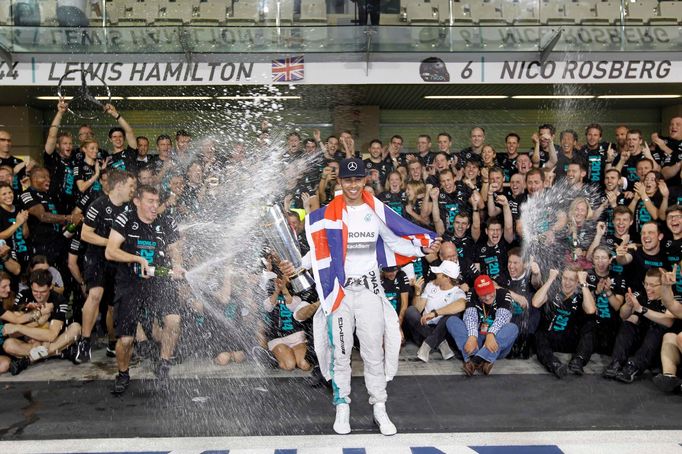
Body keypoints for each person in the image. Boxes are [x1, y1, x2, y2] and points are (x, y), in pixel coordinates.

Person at [284, 157, 439, 436]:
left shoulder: (375, 212)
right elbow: (317, 253)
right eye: (347, 180)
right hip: (339, 295)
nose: (353, 184)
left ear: (364, 180)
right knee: (340, 353)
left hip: (369, 292)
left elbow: (395, 240)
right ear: (340, 182)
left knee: (372, 352)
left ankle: (379, 407)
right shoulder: (327, 216)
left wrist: (422, 248)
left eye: (357, 179)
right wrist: (297, 266)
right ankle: (342, 407)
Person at [105, 185, 184, 395]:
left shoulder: (165, 221)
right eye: (150, 201)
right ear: (137, 201)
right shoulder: (125, 219)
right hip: (130, 281)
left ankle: (164, 365)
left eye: (156, 202)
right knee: (125, 340)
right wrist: (137, 258)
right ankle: (123, 373)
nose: (154, 206)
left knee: (173, 320)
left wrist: (177, 265)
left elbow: (174, 249)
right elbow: (110, 251)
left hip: (158, 279)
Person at [75, 170, 136, 364]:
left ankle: (112, 342)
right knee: (95, 295)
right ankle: (85, 342)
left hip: (117, 262)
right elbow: (85, 234)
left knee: (112, 307)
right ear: (119, 186)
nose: (132, 190)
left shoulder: (129, 209)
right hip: (96, 259)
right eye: (130, 186)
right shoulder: (97, 205)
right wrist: (109, 243)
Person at [2, 270, 81, 375]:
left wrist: (20, 328)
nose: (38, 295)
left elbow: (51, 336)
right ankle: (59, 352)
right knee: (8, 345)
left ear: (50, 287)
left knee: (76, 328)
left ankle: (28, 360)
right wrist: (39, 320)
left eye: (43, 292)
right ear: (30, 287)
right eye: (35, 291)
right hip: (31, 342)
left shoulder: (59, 300)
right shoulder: (23, 295)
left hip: (51, 340)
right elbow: (13, 333)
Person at [448, 274, 519, 375]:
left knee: (512, 328)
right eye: (483, 294)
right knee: (452, 321)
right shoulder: (472, 292)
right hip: (477, 341)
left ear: (493, 288)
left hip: (496, 343)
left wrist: (491, 334)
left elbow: (503, 318)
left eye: (490, 292)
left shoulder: (503, 293)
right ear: (477, 293)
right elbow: (470, 316)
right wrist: (472, 337)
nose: (487, 297)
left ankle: (474, 360)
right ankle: (479, 358)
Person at [532, 266, 596, 378]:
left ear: (577, 282)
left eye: (571, 280)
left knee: (590, 327)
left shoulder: (581, 295)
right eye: (565, 278)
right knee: (539, 335)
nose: (567, 283)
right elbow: (536, 303)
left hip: (571, 340)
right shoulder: (554, 291)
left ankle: (578, 361)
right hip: (551, 337)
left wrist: (583, 283)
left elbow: (591, 310)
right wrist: (550, 279)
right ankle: (554, 364)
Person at [405, 260, 465, 363]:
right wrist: (418, 292)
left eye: (439, 274)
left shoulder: (457, 292)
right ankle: (440, 342)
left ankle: (428, 344)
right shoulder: (430, 285)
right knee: (410, 310)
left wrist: (435, 313)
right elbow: (418, 309)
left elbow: (461, 305)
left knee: (451, 316)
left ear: (447, 278)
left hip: (441, 330)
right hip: (422, 328)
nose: (436, 275)